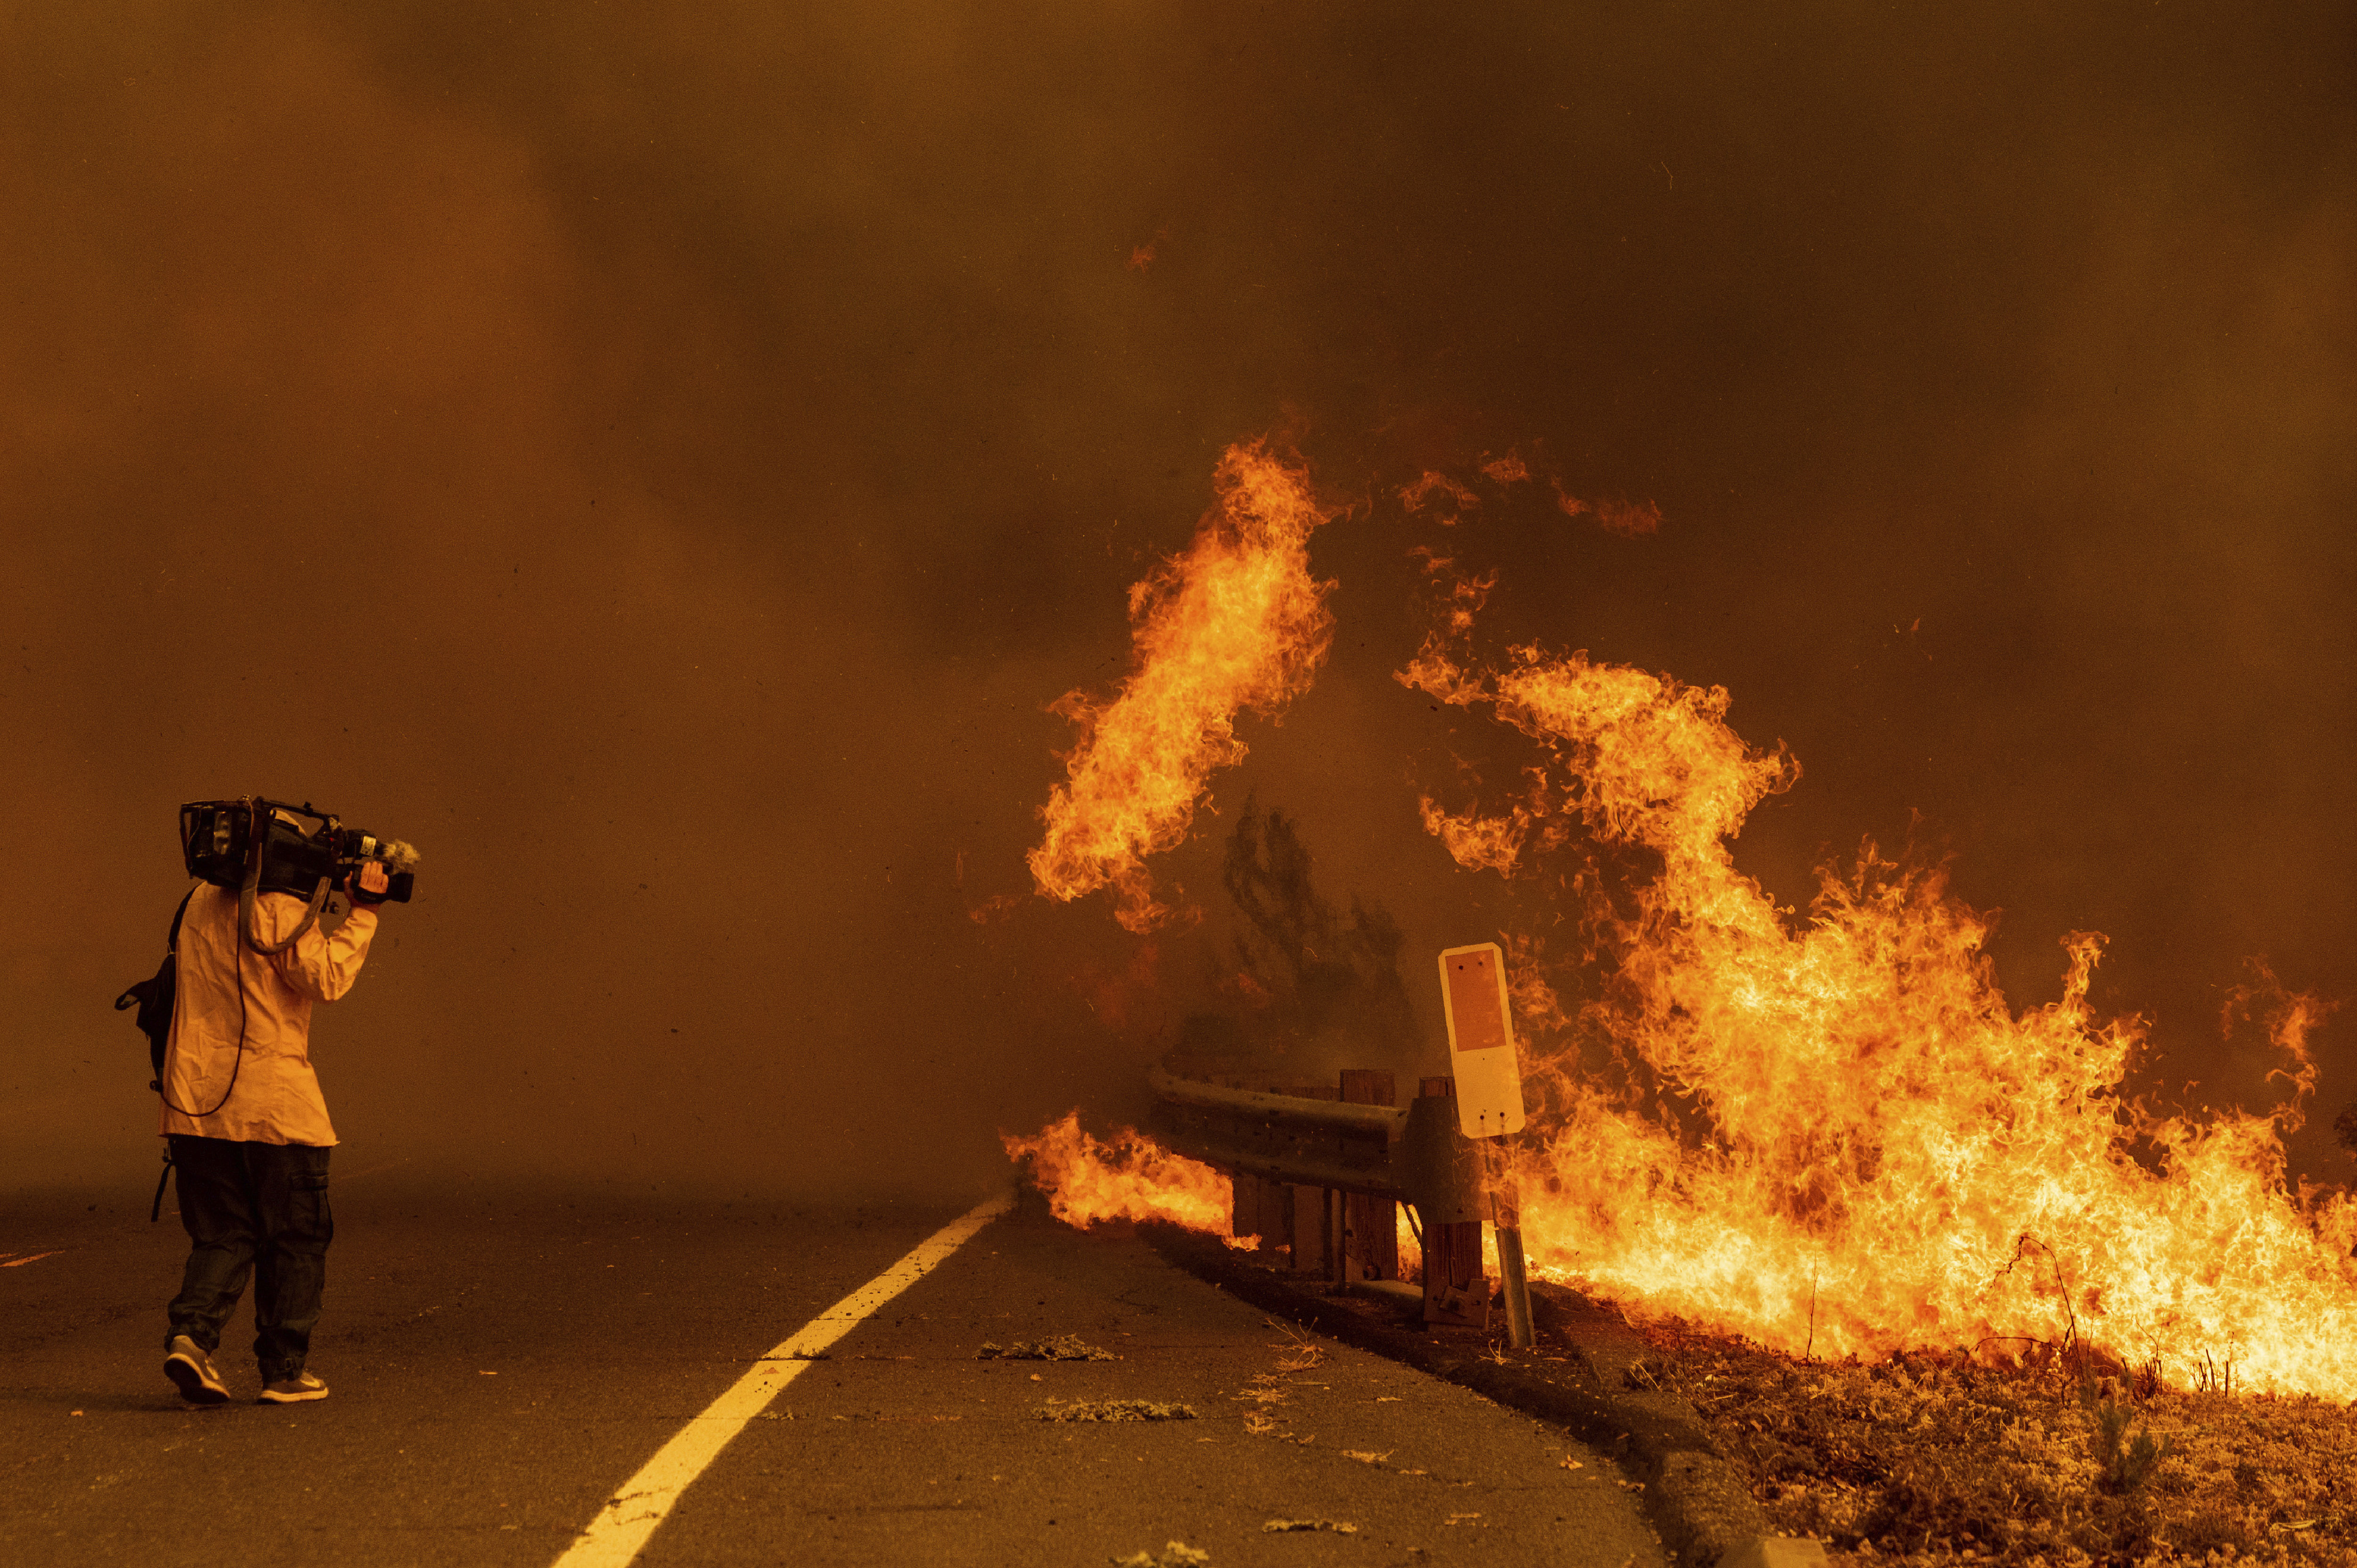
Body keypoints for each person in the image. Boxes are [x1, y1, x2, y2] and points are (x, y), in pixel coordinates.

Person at [159, 818, 392, 1407]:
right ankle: (284, 1370)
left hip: (195, 1104)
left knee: (222, 1234)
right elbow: (327, 977)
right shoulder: (278, 909)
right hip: (275, 1110)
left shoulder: (196, 903)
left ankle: (192, 1337)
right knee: (294, 1237)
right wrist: (363, 911)